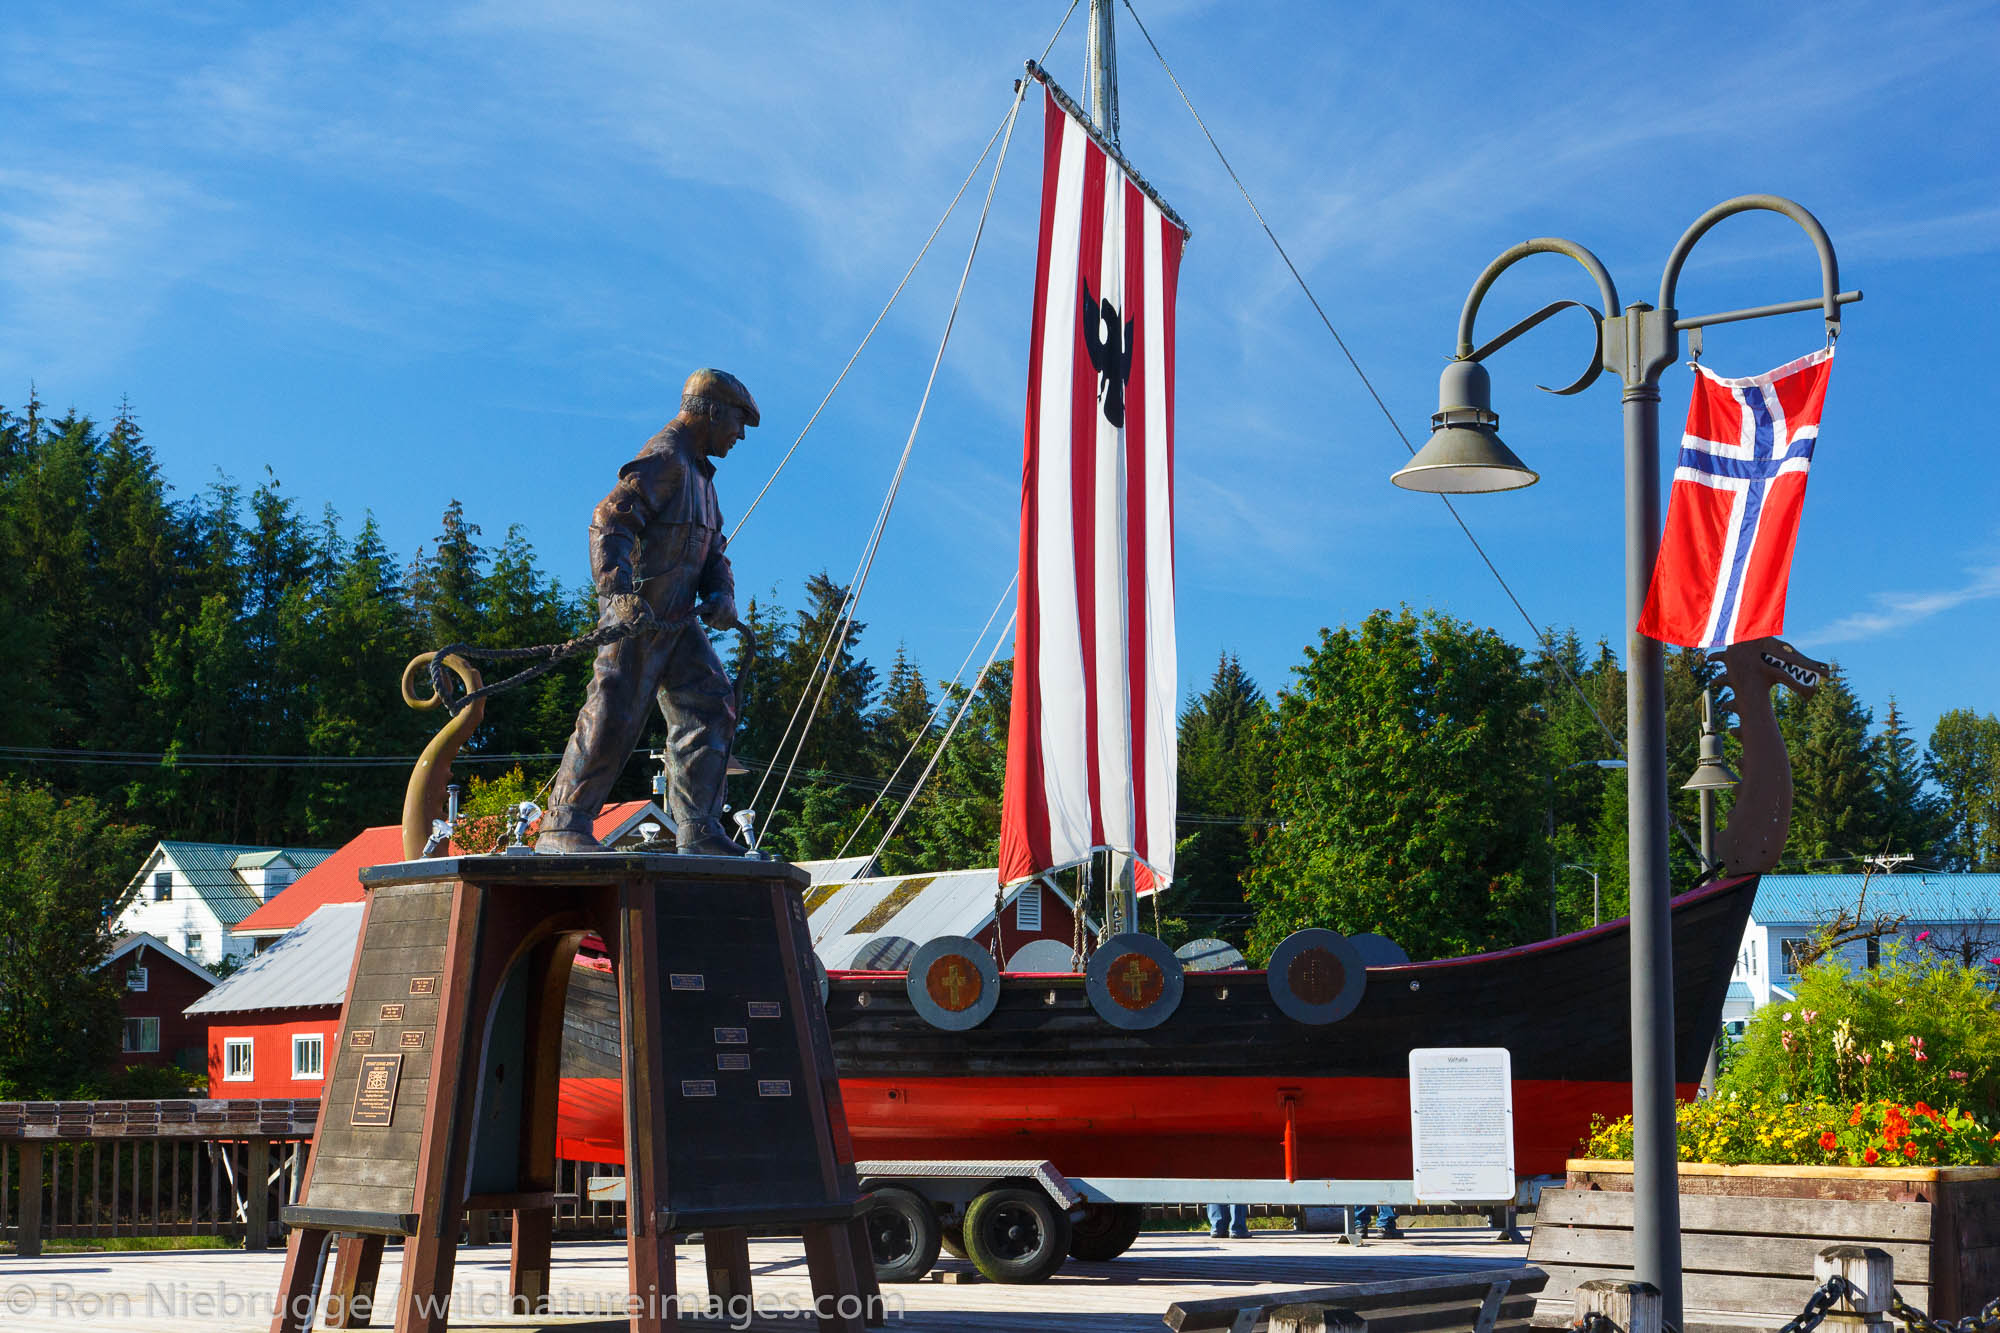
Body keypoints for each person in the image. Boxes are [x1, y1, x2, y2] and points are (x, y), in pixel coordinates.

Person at [537, 368, 757, 857]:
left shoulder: (701, 475)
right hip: (639, 617)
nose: (740, 435)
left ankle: (699, 829)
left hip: (677, 620)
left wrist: (721, 592)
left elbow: (713, 549)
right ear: (714, 410)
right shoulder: (666, 457)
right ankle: (563, 823)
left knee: (710, 704)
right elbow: (608, 521)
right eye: (738, 422)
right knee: (615, 710)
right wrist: (617, 593)